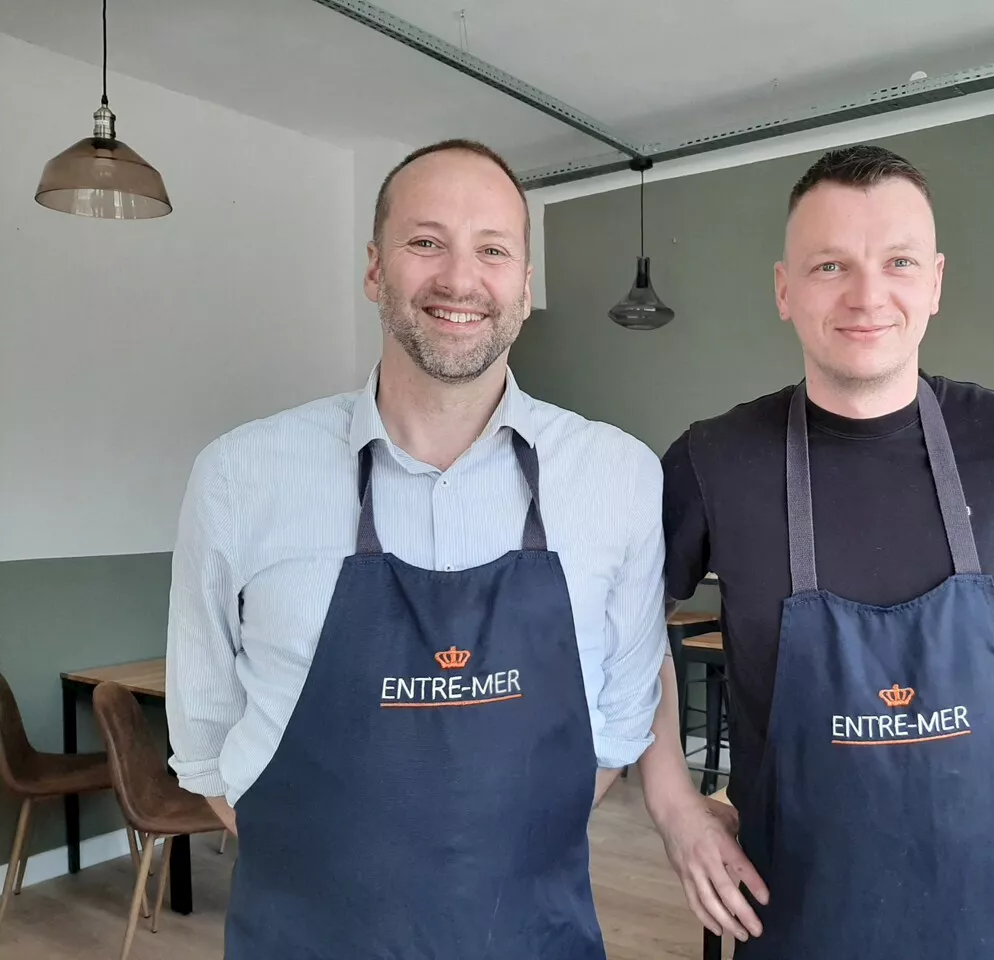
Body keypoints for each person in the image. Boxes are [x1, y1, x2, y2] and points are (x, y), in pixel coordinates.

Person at [637, 144, 994, 957]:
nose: (868, 295)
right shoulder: (713, 461)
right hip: (806, 919)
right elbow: (618, 630)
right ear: (784, 290)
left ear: (935, 282)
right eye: (830, 265)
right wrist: (673, 807)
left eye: (898, 261)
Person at [164, 139, 668, 959]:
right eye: (425, 242)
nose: (460, 280)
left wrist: (487, 873)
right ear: (374, 270)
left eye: (493, 250)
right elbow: (206, 740)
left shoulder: (618, 477)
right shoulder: (238, 477)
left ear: (526, 285)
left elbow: (618, 723)